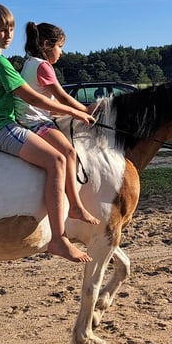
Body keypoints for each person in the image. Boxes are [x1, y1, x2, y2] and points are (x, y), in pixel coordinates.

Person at [0, 3, 96, 263]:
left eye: (11, 30)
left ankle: (72, 210)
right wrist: (76, 113)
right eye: (1, 30)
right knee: (58, 160)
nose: (7, 35)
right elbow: (34, 99)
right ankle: (59, 240)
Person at [15, 21, 100, 228]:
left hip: (26, 118)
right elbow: (62, 97)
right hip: (35, 122)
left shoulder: (29, 63)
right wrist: (85, 111)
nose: (61, 52)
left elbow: (51, 103)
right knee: (69, 153)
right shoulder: (44, 66)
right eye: (59, 46)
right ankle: (76, 206)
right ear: (46, 44)